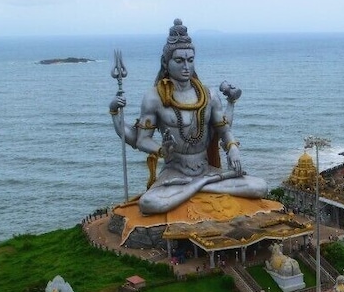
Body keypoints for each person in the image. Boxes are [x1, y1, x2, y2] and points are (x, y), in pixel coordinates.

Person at [109, 18, 267, 214]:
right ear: (166, 63)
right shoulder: (154, 97)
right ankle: (201, 185)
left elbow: (224, 130)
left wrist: (233, 148)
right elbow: (141, 140)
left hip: (206, 169)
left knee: (259, 187)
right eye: (179, 61)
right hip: (175, 172)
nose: (186, 66)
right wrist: (161, 150)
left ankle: (199, 185)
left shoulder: (209, 95)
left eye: (190, 60)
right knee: (149, 203)